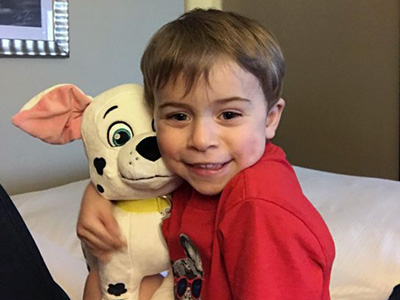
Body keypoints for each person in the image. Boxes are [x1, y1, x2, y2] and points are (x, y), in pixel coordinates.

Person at [77, 8, 335, 300]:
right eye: (178, 116)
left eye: (228, 114)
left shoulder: (259, 210)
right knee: (100, 283)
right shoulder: (197, 170)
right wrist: (97, 194)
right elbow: (141, 180)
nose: (200, 140)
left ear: (270, 119)